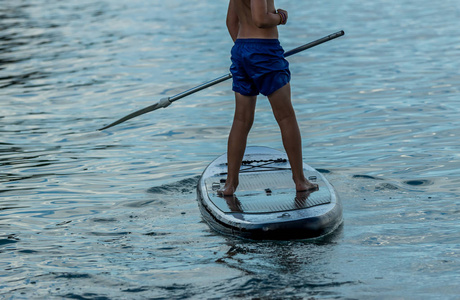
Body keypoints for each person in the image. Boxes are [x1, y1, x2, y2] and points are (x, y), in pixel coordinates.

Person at [218, 0, 318, 196]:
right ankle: (300, 180)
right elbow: (261, 19)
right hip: (264, 51)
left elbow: (231, 22)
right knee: (286, 117)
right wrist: (281, 17)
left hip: (242, 49)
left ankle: (230, 185)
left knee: (241, 120)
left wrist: (246, 52)